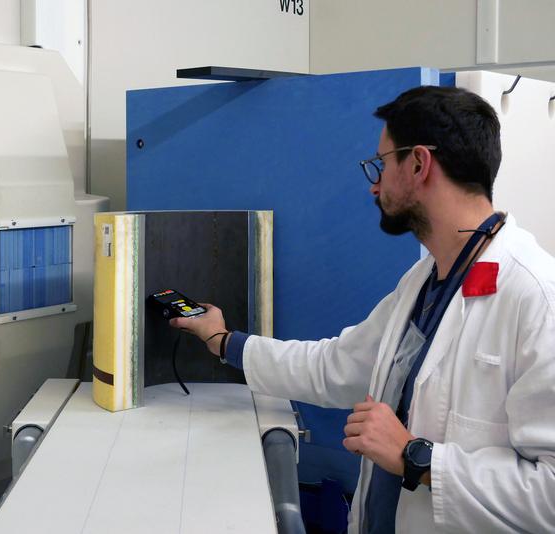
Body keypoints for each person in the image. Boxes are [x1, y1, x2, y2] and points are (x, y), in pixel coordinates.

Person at [171, 86, 555, 533]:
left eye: (382, 163)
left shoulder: (537, 300)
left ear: (418, 164)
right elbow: (334, 366)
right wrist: (223, 342)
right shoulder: (425, 284)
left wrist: (416, 458)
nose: (375, 184)